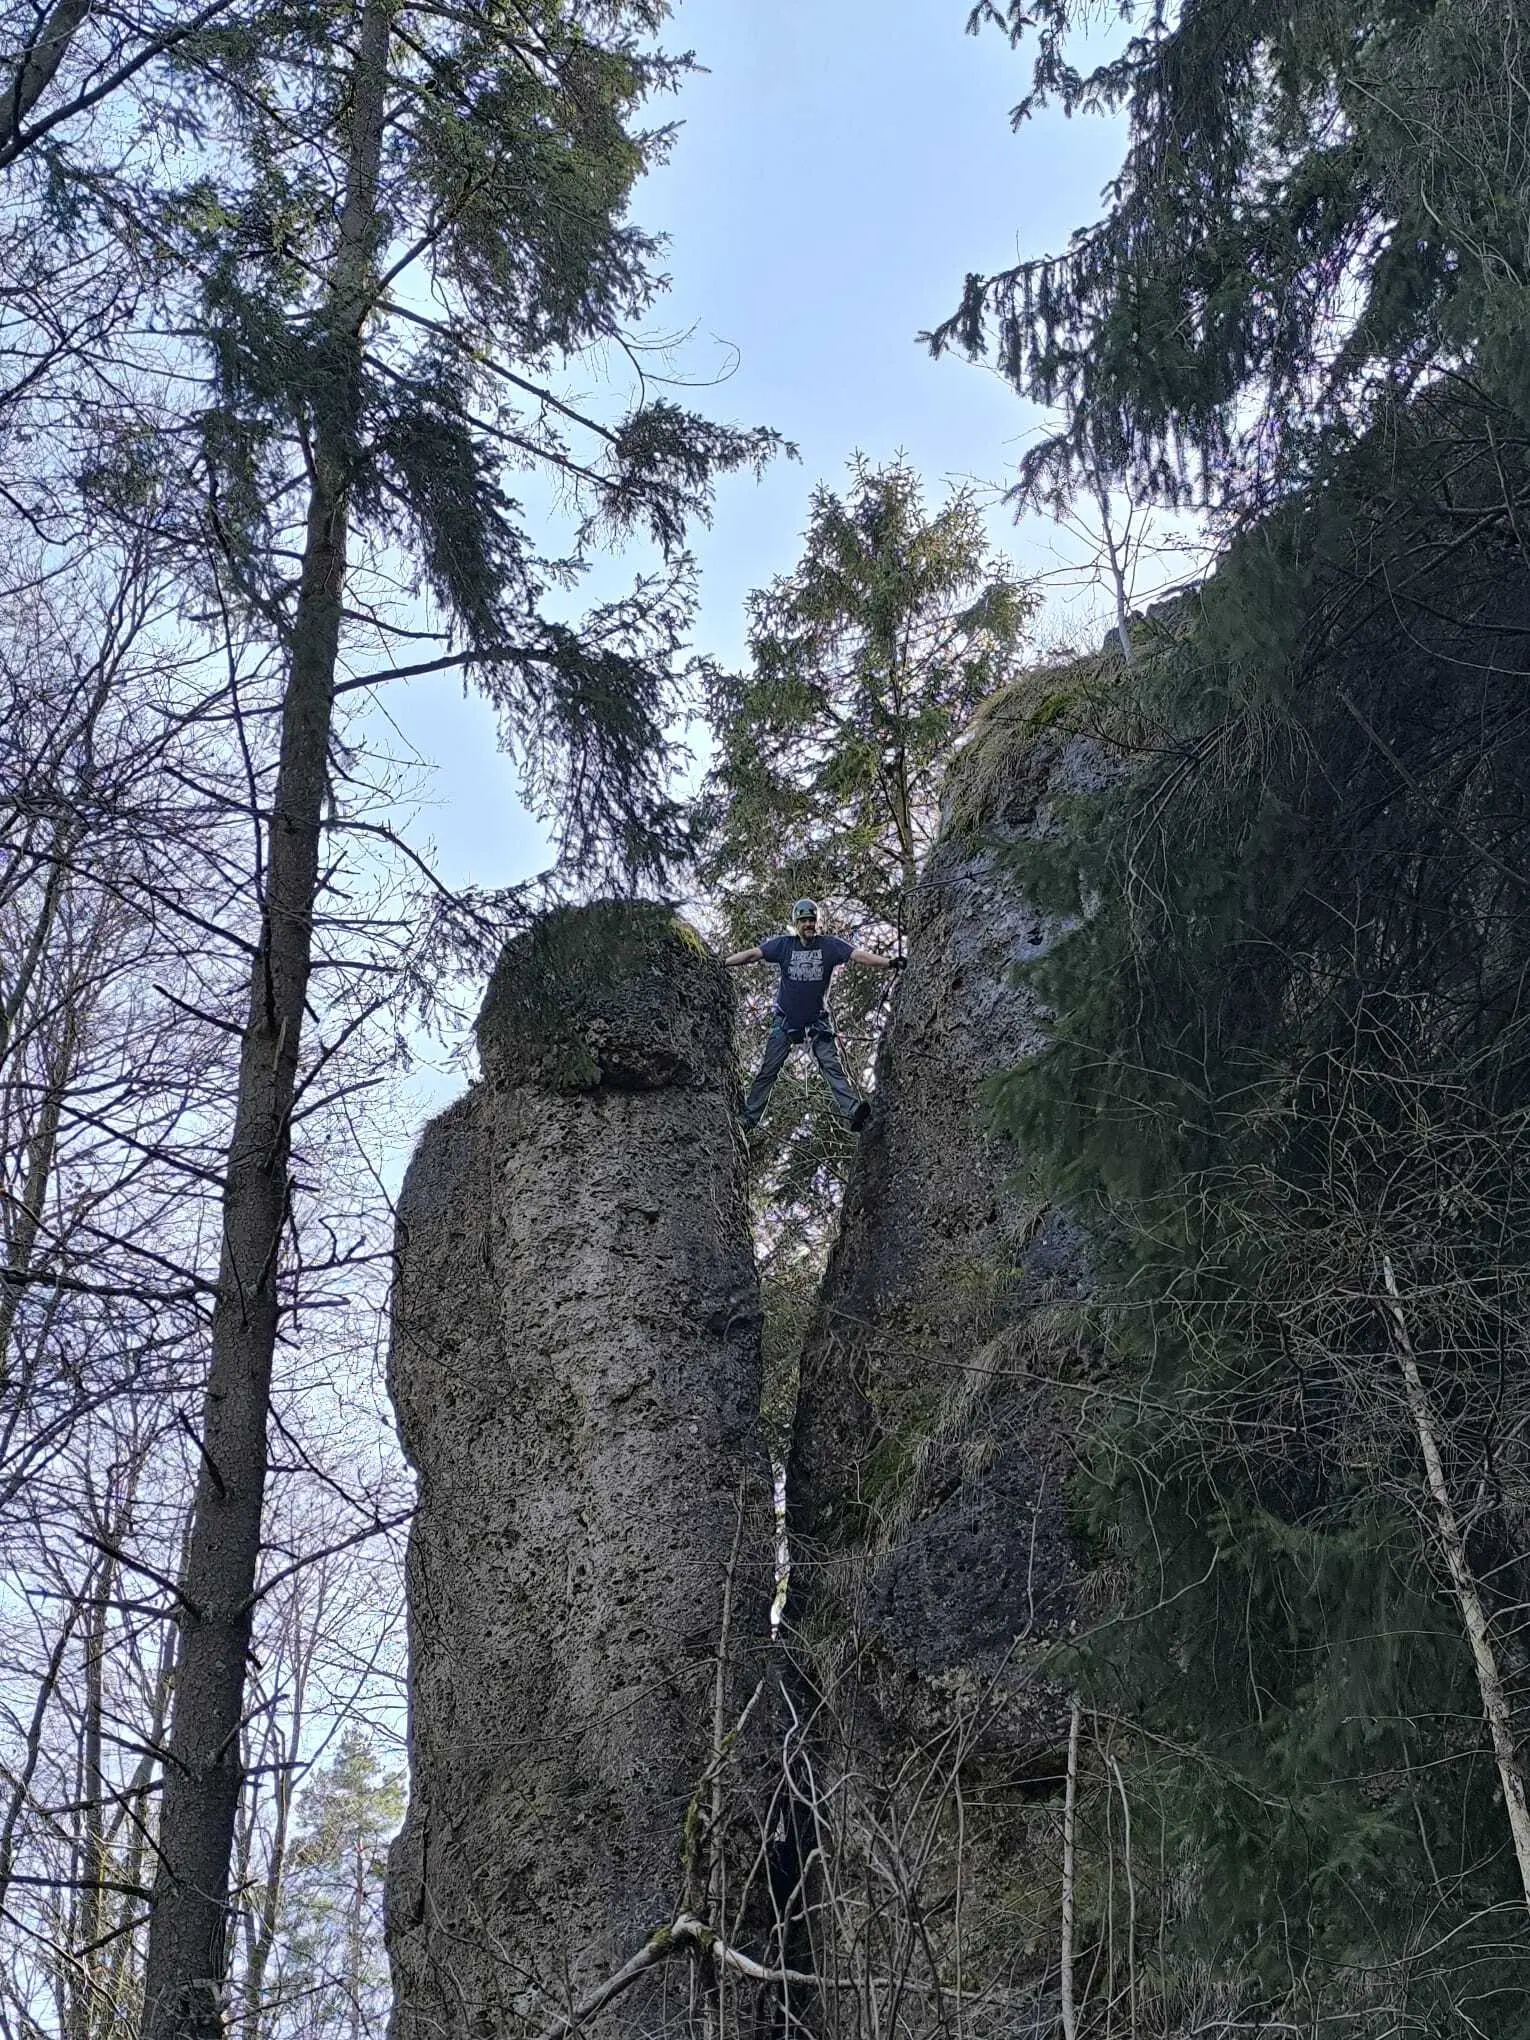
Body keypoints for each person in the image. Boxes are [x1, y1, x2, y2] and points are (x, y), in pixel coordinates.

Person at [725, 899, 902, 1132]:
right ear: (796, 924)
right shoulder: (784, 946)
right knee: (769, 1068)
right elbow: (753, 955)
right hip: (786, 1019)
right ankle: (749, 1119)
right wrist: (724, 963)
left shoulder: (829, 946)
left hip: (817, 1019)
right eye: (804, 921)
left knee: (831, 1065)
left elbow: (859, 956)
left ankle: (853, 1111)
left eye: (812, 920)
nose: (809, 924)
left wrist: (890, 963)